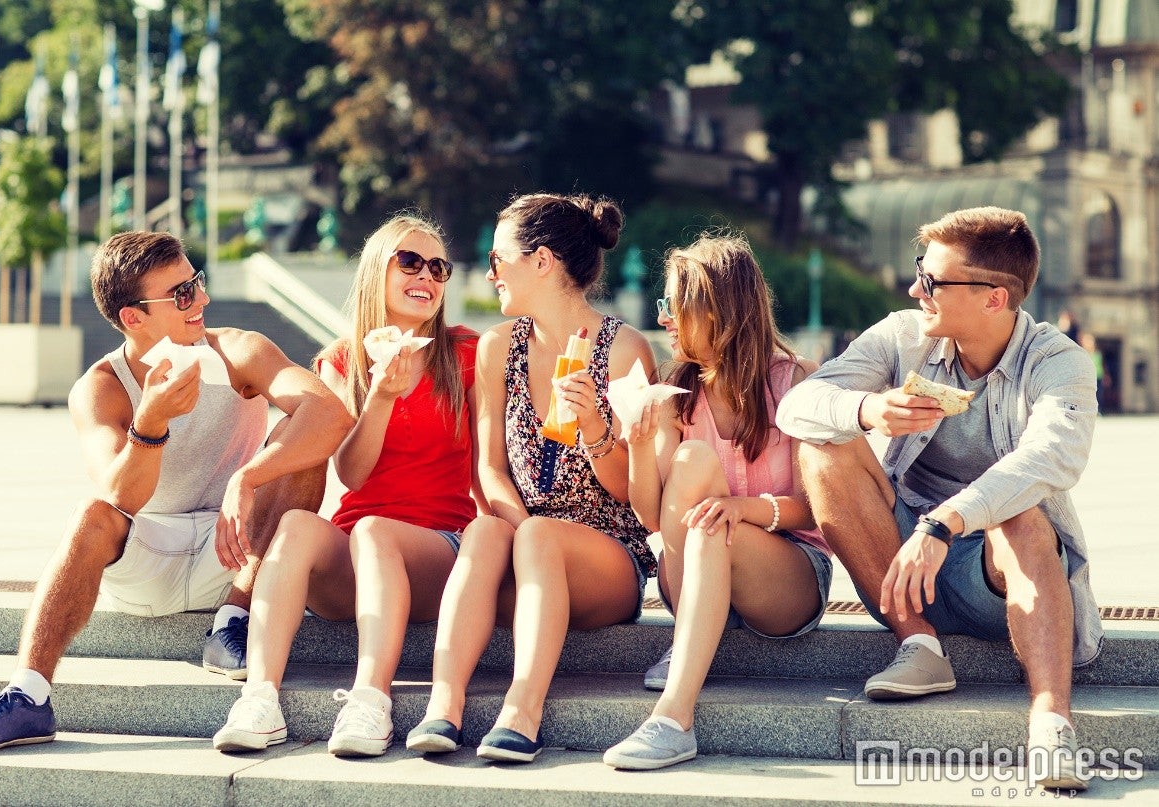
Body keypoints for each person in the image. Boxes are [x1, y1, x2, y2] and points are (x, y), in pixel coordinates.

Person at [0, 231, 350, 753]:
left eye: (196, 282)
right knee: (91, 514)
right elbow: (121, 495)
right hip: (148, 560)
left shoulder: (238, 350)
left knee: (299, 445)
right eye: (181, 294)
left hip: (236, 548)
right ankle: (28, 695)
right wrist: (150, 422)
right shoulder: (102, 386)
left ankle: (233, 622)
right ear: (133, 317)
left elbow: (330, 413)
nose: (202, 299)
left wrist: (247, 477)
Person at [775, 207, 1100, 791]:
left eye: (931, 279)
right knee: (823, 447)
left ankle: (1051, 723)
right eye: (918, 270)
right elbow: (796, 406)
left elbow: (1052, 457)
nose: (914, 289)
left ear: (994, 298)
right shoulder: (904, 335)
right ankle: (919, 646)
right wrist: (867, 408)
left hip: (996, 574)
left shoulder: (1059, 362)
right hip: (899, 566)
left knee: (1021, 514)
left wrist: (945, 523)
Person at [212, 215, 482, 757]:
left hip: (439, 551)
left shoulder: (466, 352)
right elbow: (352, 474)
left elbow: (487, 467)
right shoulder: (341, 359)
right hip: (354, 556)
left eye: (438, 268)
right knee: (297, 525)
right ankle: (259, 699)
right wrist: (380, 397)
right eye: (410, 262)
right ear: (376, 271)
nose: (426, 276)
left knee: (376, 531)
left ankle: (370, 700)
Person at [406, 193, 657, 763]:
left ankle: (523, 710)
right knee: (484, 530)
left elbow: (633, 493)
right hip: (525, 541)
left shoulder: (624, 351)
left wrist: (594, 426)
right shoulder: (499, 347)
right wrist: (519, 530)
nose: (489, 273)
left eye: (498, 259)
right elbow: (489, 469)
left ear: (541, 261)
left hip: (608, 562)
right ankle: (444, 704)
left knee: (537, 535)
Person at [603, 233, 831, 770]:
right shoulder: (675, 391)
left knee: (711, 525)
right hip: (690, 571)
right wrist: (639, 444)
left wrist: (742, 509)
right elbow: (652, 517)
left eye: (673, 305)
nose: (663, 318)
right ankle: (690, 645)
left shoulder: (796, 382)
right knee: (691, 461)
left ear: (716, 311)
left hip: (786, 576)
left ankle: (672, 719)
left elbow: (817, 509)